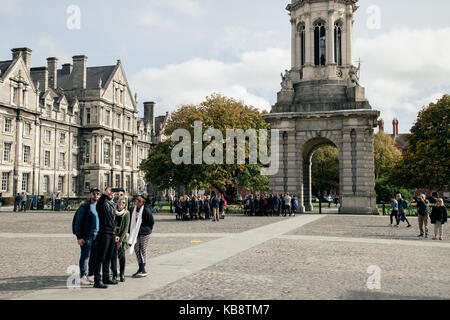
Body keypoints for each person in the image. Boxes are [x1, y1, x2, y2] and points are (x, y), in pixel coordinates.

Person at [93, 186, 119, 289]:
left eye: (112, 192)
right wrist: (104, 194)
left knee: (109, 256)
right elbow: (99, 205)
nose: (111, 193)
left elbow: (114, 220)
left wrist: (116, 234)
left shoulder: (111, 204)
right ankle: (97, 280)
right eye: (110, 191)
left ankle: (106, 277)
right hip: (104, 233)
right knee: (101, 257)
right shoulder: (102, 203)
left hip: (112, 233)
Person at [74, 187, 100, 286]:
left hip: (96, 235)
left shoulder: (99, 206)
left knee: (94, 256)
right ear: (90, 194)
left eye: (97, 193)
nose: (96, 195)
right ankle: (82, 276)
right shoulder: (84, 206)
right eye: (94, 193)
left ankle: (91, 274)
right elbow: (78, 222)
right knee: (85, 255)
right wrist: (79, 237)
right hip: (86, 235)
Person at [129, 195, 155, 278]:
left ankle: (143, 269)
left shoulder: (146, 210)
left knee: (142, 249)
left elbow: (151, 222)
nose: (137, 201)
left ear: (143, 203)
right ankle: (140, 267)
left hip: (144, 232)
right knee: (137, 249)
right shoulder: (133, 209)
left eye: (139, 201)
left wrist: (145, 230)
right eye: (137, 200)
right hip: (135, 232)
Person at [110, 196, 130, 282]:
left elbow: (126, 228)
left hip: (122, 238)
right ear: (117, 202)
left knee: (121, 256)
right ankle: (114, 274)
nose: (121, 204)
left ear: (125, 204)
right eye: (119, 202)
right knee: (113, 257)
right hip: (113, 236)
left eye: (123, 202)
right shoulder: (112, 212)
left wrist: (120, 240)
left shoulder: (126, 213)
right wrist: (115, 236)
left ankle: (122, 274)